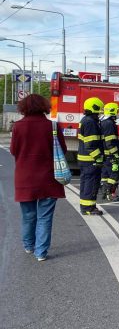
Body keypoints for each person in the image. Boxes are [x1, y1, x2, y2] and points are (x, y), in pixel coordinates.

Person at [10, 94, 66, 261]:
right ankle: (40, 252)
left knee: (28, 215)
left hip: (25, 178)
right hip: (49, 178)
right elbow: (61, 149)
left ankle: (28, 245)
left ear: (23, 108)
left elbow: (14, 151)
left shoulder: (18, 127)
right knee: (45, 217)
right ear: (44, 106)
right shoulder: (53, 126)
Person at [77, 97, 104, 215]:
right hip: (90, 160)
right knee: (91, 183)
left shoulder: (85, 120)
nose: (100, 112)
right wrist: (98, 158)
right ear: (95, 108)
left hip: (85, 159)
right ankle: (88, 208)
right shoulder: (90, 122)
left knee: (86, 182)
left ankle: (87, 206)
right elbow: (91, 144)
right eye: (99, 110)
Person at [100, 102, 119, 201]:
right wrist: (115, 155)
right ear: (112, 111)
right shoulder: (109, 124)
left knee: (105, 174)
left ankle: (105, 192)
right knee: (115, 173)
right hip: (110, 154)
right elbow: (110, 142)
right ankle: (110, 193)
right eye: (117, 111)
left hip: (105, 154)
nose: (118, 113)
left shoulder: (103, 121)